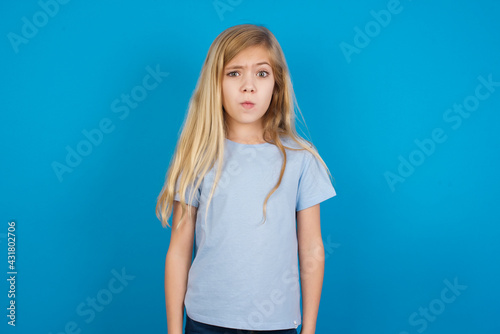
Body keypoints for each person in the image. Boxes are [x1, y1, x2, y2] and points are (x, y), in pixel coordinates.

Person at [156, 23, 337, 334]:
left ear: (277, 84)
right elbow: (179, 249)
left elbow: (311, 249)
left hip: (277, 324)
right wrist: (174, 330)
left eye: (262, 73)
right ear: (216, 83)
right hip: (206, 322)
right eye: (234, 73)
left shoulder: (301, 159)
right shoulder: (198, 156)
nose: (248, 86)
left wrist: (309, 329)